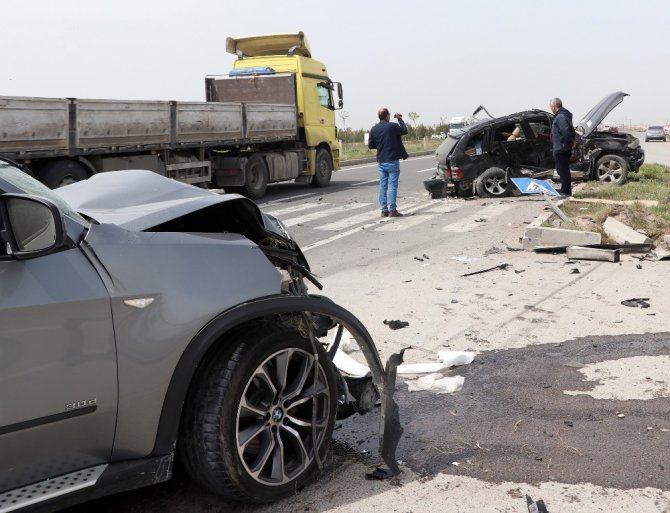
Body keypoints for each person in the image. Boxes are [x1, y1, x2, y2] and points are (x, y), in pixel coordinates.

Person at [368, 108, 409, 217]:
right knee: (392, 186)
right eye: (389, 115)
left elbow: (370, 145)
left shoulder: (374, 129)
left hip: (381, 161)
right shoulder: (393, 126)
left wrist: (381, 144)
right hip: (392, 161)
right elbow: (404, 130)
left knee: (382, 185)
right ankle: (392, 210)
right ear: (387, 116)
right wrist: (400, 119)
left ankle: (384, 210)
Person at [549, 97, 576, 197]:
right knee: (562, 170)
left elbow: (565, 131)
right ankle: (565, 191)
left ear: (555, 106)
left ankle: (565, 192)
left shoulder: (560, 117)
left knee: (563, 170)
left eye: (551, 107)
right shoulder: (563, 115)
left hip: (562, 148)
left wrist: (571, 141)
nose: (550, 109)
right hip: (562, 147)